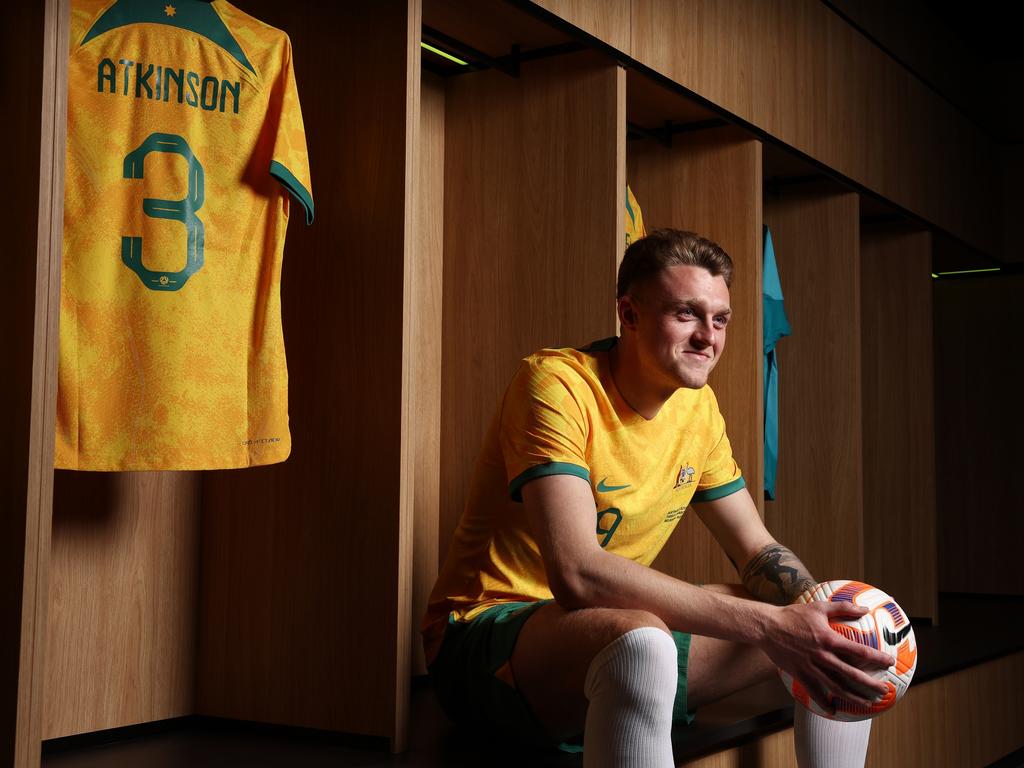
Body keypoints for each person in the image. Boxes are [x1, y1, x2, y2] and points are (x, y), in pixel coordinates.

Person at [422, 229, 893, 768]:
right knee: (643, 643)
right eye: (686, 314)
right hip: (484, 644)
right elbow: (578, 574)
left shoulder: (698, 410)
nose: (707, 338)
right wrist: (772, 626)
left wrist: (814, 608)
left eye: (719, 320)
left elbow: (756, 550)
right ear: (629, 314)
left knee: (852, 622)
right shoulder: (557, 385)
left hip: (608, 634)